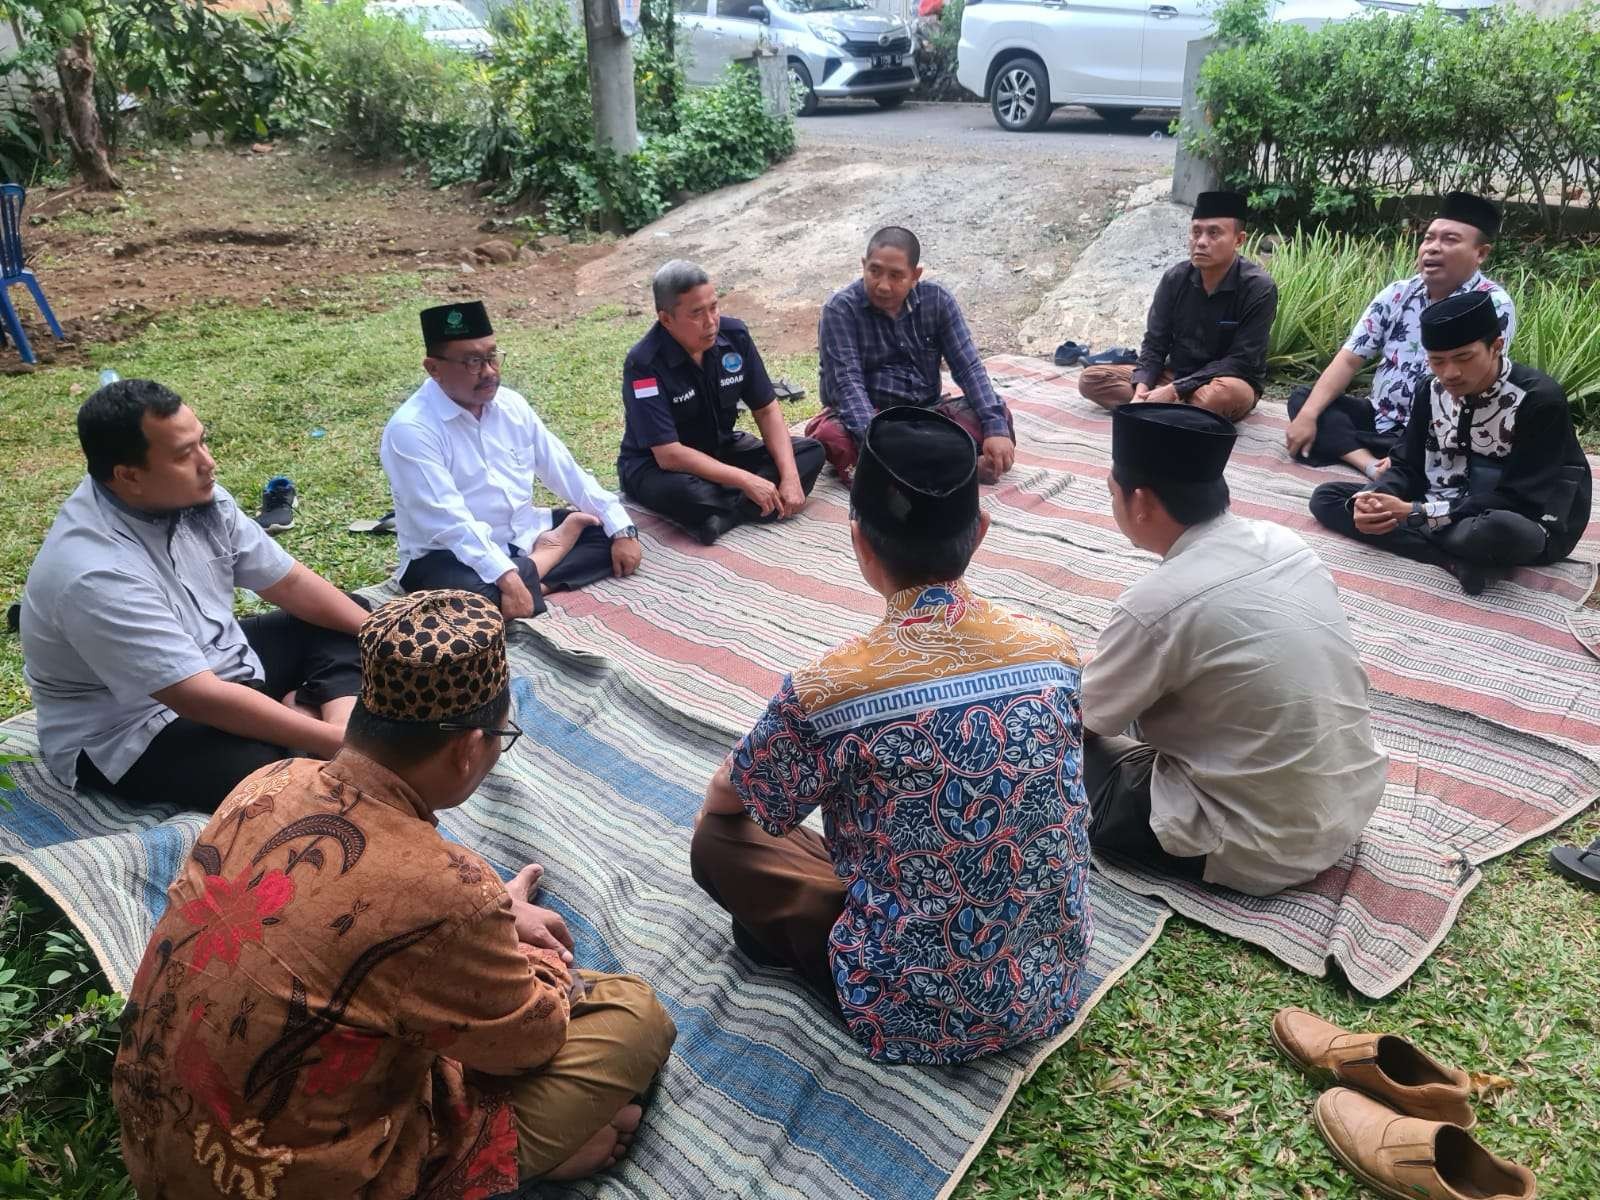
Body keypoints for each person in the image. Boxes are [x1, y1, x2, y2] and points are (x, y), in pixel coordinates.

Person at [111, 589, 677, 1197]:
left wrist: (488, 911)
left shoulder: (268, 780)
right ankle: (525, 1154)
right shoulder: (452, 895)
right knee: (634, 1015)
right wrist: (508, 938)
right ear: (466, 749)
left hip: (157, 1146)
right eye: (499, 737)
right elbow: (527, 1045)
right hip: (308, 1181)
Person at [690, 406, 1093, 1066]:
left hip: (909, 1014)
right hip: (1051, 983)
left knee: (722, 840)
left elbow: (727, 802)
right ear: (981, 531)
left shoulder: (829, 688)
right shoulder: (1053, 651)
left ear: (858, 541)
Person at [20, 379, 369, 813]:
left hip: (212, 660)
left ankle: (329, 723)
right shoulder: (93, 572)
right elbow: (194, 696)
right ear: (129, 476)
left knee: (354, 617)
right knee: (276, 785)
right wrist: (337, 743)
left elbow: (290, 584)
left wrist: (382, 635)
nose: (209, 463)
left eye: (202, 442)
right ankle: (316, 724)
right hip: (133, 725)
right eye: (185, 455)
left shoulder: (194, 496)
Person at [1082, 403, 1388, 896]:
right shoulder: (1285, 542)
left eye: (1112, 493)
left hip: (1252, 841)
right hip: (1343, 808)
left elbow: (1084, 720)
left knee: (1037, 752)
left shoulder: (1156, 604)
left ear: (1139, 501)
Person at [1309, 291, 1591, 595]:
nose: (1450, 373)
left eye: (1464, 358)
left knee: (1497, 530)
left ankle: (1436, 538)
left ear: (1496, 347)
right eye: (1437, 361)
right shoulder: (1429, 390)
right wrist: (1376, 499)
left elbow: (1521, 498)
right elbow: (1407, 463)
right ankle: (1449, 559)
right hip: (1442, 506)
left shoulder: (1538, 400)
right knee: (1329, 498)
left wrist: (1412, 512)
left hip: (1522, 518)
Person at [382, 301, 642, 621]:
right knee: (473, 603)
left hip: (521, 535)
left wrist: (621, 529)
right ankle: (548, 559)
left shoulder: (511, 405)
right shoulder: (411, 430)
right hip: (447, 556)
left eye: (492, 356)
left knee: (604, 532)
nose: (489, 371)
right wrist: (508, 578)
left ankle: (533, 579)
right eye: (473, 361)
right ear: (433, 368)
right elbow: (450, 522)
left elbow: (564, 468)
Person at [1285, 192, 1516, 479]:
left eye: (1450, 240)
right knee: (1305, 400)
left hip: (1439, 431)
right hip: (1380, 420)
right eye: (1429, 238)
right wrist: (1307, 416)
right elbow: (1349, 359)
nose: (1432, 248)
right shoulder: (1398, 293)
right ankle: (1370, 465)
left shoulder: (1491, 305)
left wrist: (1415, 443)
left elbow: (1476, 389)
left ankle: (1393, 460)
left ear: (1480, 253)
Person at [619, 261, 825, 545]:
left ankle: (725, 517)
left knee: (809, 451)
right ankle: (747, 503)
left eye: (714, 307)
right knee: (688, 495)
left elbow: (766, 409)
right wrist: (746, 480)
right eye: (696, 314)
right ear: (666, 319)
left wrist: (790, 477)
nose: (711, 321)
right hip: (658, 467)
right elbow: (669, 455)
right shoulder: (643, 364)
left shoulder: (735, 336)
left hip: (722, 449)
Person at [812, 226, 1017, 486]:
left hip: (929, 414)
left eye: (896, 275)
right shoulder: (840, 309)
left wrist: (995, 427)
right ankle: (957, 468)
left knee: (997, 417)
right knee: (832, 436)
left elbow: (968, 368)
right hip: (872, 418)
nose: (883, 285)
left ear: (915, 275)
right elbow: (847, 384)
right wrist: (877, 442)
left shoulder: (938, 301)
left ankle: (904, 471)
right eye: (874, 271)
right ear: (863, 265)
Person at [1078, 191, 1277, 423]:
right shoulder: (1175, 278)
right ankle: (1170, 411)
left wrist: (1174, 390)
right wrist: (1142, 389)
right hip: (1175, 374)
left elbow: (1241, 360)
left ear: (1239, 240)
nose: (1201, 241)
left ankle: (1163, 410)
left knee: (1218, 398)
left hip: (1226, 380)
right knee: (1092, 379)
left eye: (1214, 233)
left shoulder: (1259, 288)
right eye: (1196, 232)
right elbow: (1155, 342)